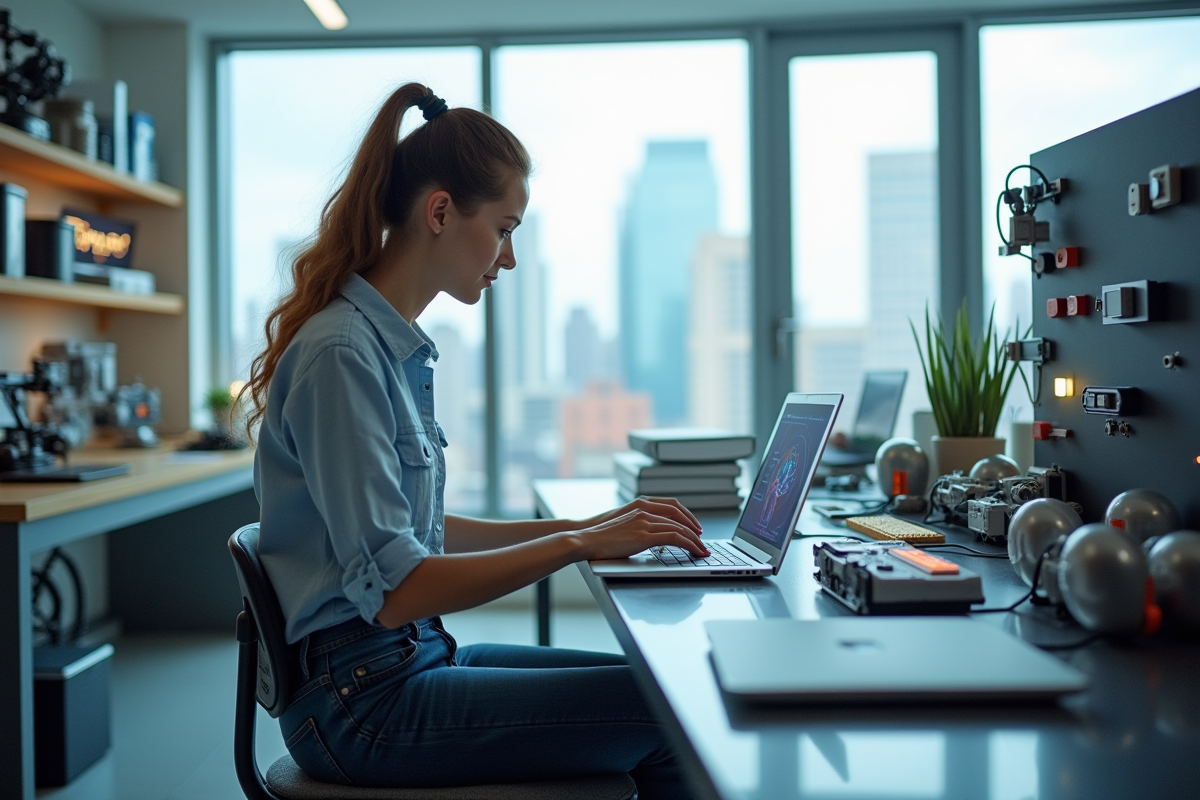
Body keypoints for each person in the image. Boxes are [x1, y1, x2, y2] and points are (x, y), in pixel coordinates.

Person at [242, 82, 710, 799]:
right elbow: (398, 589)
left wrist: (593, 526)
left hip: (402, 663)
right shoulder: (343, 354)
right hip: (361, 705)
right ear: (439, 213)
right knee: (674, 711)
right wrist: (576, 544)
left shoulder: (386, 348)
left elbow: (415, 534)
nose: (509, 257)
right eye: (504, 228)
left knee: (662, 685)